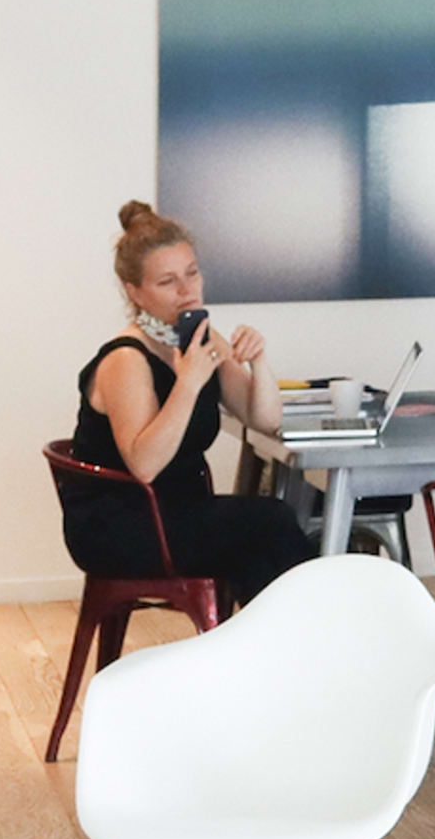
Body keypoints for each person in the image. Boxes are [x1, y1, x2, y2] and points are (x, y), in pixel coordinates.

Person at [56, 201, 310, 607]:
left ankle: (272, 652)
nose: (187, 290)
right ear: (134, 292)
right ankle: (289, 652)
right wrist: (188, 384)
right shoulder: (126, 359)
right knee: (270, 523)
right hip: (123, 525)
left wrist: (258, 361)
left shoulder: (199, 339)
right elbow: (145, 464)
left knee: (269, 535)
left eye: (192, 273)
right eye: (167, 282)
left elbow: (264, 418)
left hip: (179, 512)